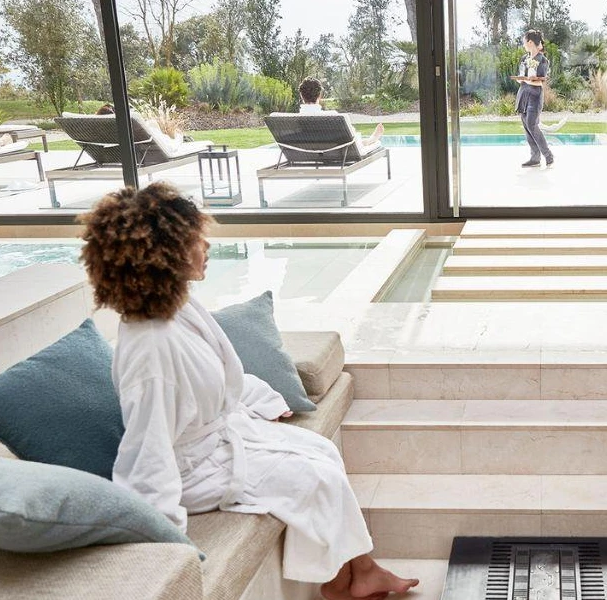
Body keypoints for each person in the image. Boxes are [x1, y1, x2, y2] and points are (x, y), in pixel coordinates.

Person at [78, 182, 418, 600]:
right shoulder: (152, 351)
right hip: (194, 471)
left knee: (322, 452)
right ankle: (343, 582)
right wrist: (163, 536)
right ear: (162, 256)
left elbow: (222, 375)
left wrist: (261, 401)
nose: (205, 244)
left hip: (217, 440)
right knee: (312, 475)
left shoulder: (176, 308)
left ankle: (357, 573)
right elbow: (147, 447)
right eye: (193, 239)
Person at [297, 78, 384, 151]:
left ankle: (368, 140)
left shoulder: (292, 120)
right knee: (369, 142)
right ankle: (370, 140)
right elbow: (353, 140)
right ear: (320, 95)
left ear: (301, 95)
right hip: (340, 153)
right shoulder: (333, 116)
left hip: (303, 153)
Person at [513, 30, 554, 168]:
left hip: (535, 96)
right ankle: (535, 157)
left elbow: (540, 82)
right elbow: (520, 78)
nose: (523, 45)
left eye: (524, 42)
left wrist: (528, 80)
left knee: (532, 124)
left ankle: (548, 155)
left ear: (530, 42)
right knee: (526, 126)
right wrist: (522, 79)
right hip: (523, 94)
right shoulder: (525, 59)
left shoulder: (543, 60)